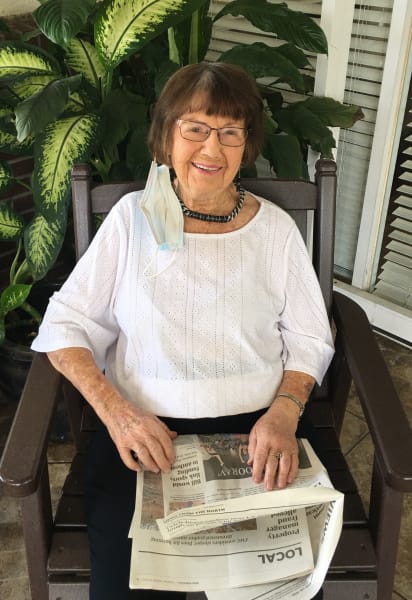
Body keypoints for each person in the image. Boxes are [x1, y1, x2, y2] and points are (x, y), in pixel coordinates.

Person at [32, 62, 334, 599]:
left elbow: (310, 336)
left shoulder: (276, 232)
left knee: (272, 586)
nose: (211, 150)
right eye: (195, 128)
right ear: (166, 136)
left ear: (247, 144)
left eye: (230, 133)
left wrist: (285, 412)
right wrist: (116, 413)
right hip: (141, 434)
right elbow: (66, 325)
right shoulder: (130, 221)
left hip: (259, 432)